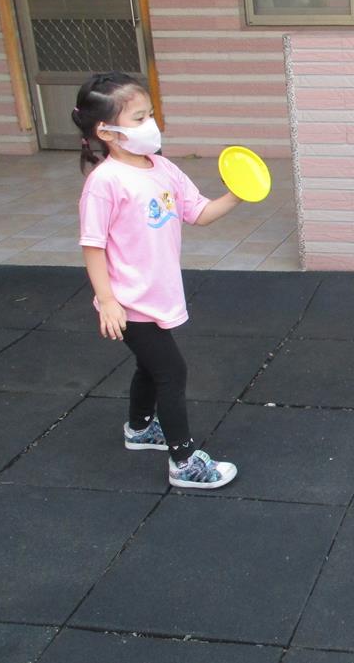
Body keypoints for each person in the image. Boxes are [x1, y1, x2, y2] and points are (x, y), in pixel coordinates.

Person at [72, 71, 241, 489]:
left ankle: (140, 428)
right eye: (139, 118)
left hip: (157, 292)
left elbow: (198, 213)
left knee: (150, 366)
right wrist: (107, 301)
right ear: (105, 132)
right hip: (129, 301)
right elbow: (92, 246)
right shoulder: (105, 182)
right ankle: (183, 462)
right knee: (171, 371)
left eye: (150, 114)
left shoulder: (163, 167)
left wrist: (238, 193)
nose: (150, 124)